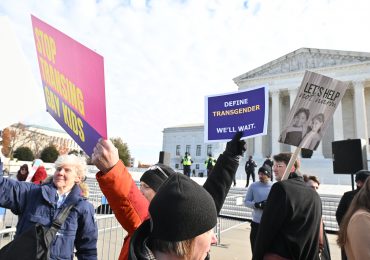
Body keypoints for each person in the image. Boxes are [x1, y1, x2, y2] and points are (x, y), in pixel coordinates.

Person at [92, 132, 245, 260]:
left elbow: (204, 204)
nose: (214, 239)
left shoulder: (167, 222)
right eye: (140, 186)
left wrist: (230, 159)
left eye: (146, 187)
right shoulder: (152, 226)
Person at [0, 154, 98, 259]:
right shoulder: (31, 193)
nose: (60, 172)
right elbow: (3, 188)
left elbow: (88, 250)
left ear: (78, 178)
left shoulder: (84, 207)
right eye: (58, 169)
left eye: (67, 170)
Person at [253, 152, 322, 260]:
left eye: (279, 166)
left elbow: (267, 229)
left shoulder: (281, 188)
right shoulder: (314, 195)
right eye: (274, 165)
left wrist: (257, 256)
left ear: (292, 168)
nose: (274, 169)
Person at [335, 170, 370, 260]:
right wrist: (349, 228)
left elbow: (339, 215)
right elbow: (339, 214)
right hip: (353, 234)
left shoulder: (348, 195)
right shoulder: (361, 216)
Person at [244, 165, 272, 253]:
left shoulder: (275, 186)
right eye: (259, 174)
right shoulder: (253, 186)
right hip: (256, 223)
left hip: (270, 224)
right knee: (255, 249)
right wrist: (256, 205)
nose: (260, 176)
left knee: (268, 251)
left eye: (263, 174)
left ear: (269, 175)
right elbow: (246, 202)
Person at [303, 175, 331, 260]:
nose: (314, 190)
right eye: (311, 187)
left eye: (316, 188)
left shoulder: (317, 202)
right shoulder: (299, 204)